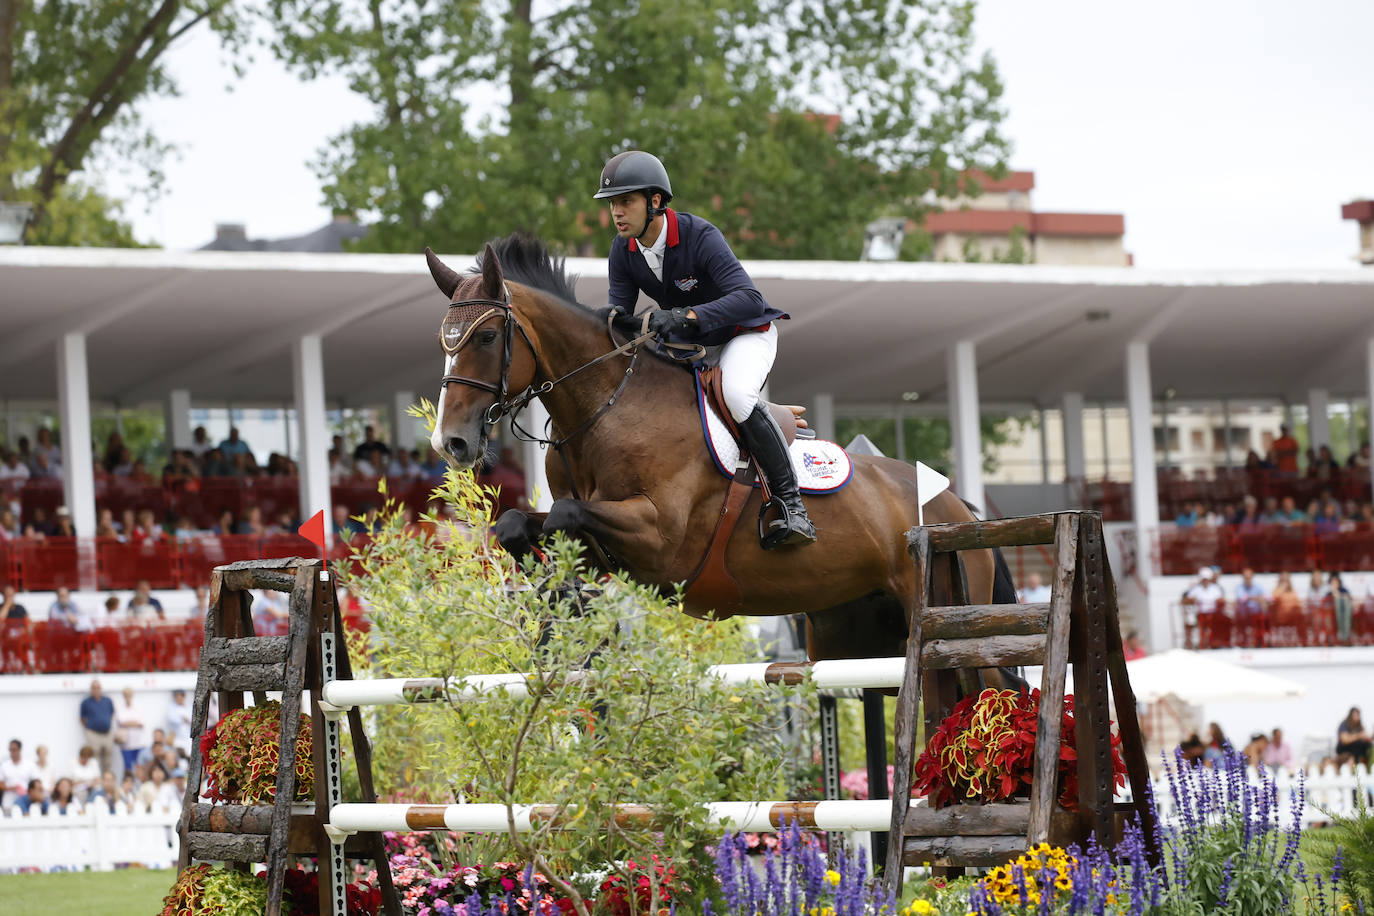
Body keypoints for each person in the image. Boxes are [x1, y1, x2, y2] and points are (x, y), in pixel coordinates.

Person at [595, 150, 813, 549]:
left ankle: (792, 505)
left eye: (626, 201)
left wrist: (685, 316)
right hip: (693, 346)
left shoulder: (700, 235)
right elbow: (621, 316)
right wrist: (601, 320)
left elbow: (749, 298)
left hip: (744, 335)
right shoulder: (622, 251)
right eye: (613, 204)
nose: (617, 212)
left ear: (655, 201)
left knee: (735, 394)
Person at [79, 679, 117, 774]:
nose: (96, 690)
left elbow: (111, 714)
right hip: (93, 733)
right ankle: (96, 778)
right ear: (91, 690)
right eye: (94, 688)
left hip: (107, 733)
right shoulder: (86, 702)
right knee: (94, 757)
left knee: (108, 756)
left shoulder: (107, 700)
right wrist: (90, 727)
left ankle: (107, 779)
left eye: (98, 688)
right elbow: (82, 718)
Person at [1180, 567, 1224, 649]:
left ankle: (1216, 644)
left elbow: (1221, 600)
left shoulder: (1215, 589)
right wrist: (1192, 600)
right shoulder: (1196, 589)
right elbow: (1185, 600)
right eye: (1204, 579)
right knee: (1200, 625)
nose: (1205, 581)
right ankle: (1203, 645)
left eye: (1207, 579)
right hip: (1201, 615)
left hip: (1213, 615)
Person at [114, 686, 149, 774]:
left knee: (140, 767)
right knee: (128, 767)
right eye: (126, 695)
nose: (128, 697)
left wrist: (128, 723)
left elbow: (141, 724)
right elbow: (122, 722)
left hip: (139, 743)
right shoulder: (120, 708)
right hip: (126, 744)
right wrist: (134, 723)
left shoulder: (138, 707)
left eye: (129, 695)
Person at [1, 738, 34, 810]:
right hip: (8, 803)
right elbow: (1, 784)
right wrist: (13, 788)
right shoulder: (4, 765)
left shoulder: (29, 765)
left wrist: (25, 790)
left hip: (26, 802)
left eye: (14, 749)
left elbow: (34, 783)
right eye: (10, 750)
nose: (12, 752)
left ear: (19, 749)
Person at [166, 689, 193, 754]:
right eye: (177, 696)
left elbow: (192, 720)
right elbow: (171, 719)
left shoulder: (189, 707)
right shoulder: (171, 708)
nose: (179, 698)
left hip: (188, 738)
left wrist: (187, 720)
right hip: (177, 738)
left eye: (181, 696)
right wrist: (182, 720)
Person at [1331, 572, 1354, 644]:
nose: (1334, 584)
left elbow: (1349, 599)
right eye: (1333, 582)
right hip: (1331, 614)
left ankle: (1344, 636)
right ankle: (1340, 634)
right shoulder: (1328, 592)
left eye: (1336, 582)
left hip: (1343, 613)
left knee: (1344, 602)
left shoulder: (1344, 590)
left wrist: (1339, 595)